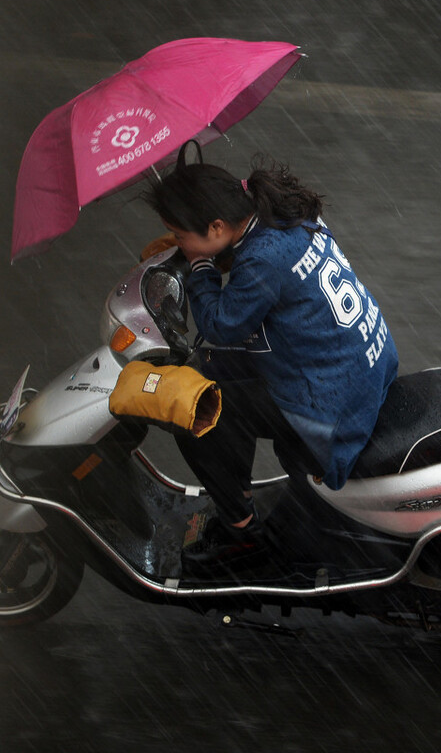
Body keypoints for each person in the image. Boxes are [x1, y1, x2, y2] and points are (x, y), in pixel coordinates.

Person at [143, 140, 398, 570]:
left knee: (194, 407)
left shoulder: (262, 259)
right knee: (212, 372)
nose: (179, 244)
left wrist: (200, 267)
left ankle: (240, 532)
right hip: (361, 362)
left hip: (330, 399)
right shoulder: (285, 214)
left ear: (217, 226)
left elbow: (220, 325)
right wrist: (211, 252)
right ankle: (241, 495)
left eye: (181, 236)